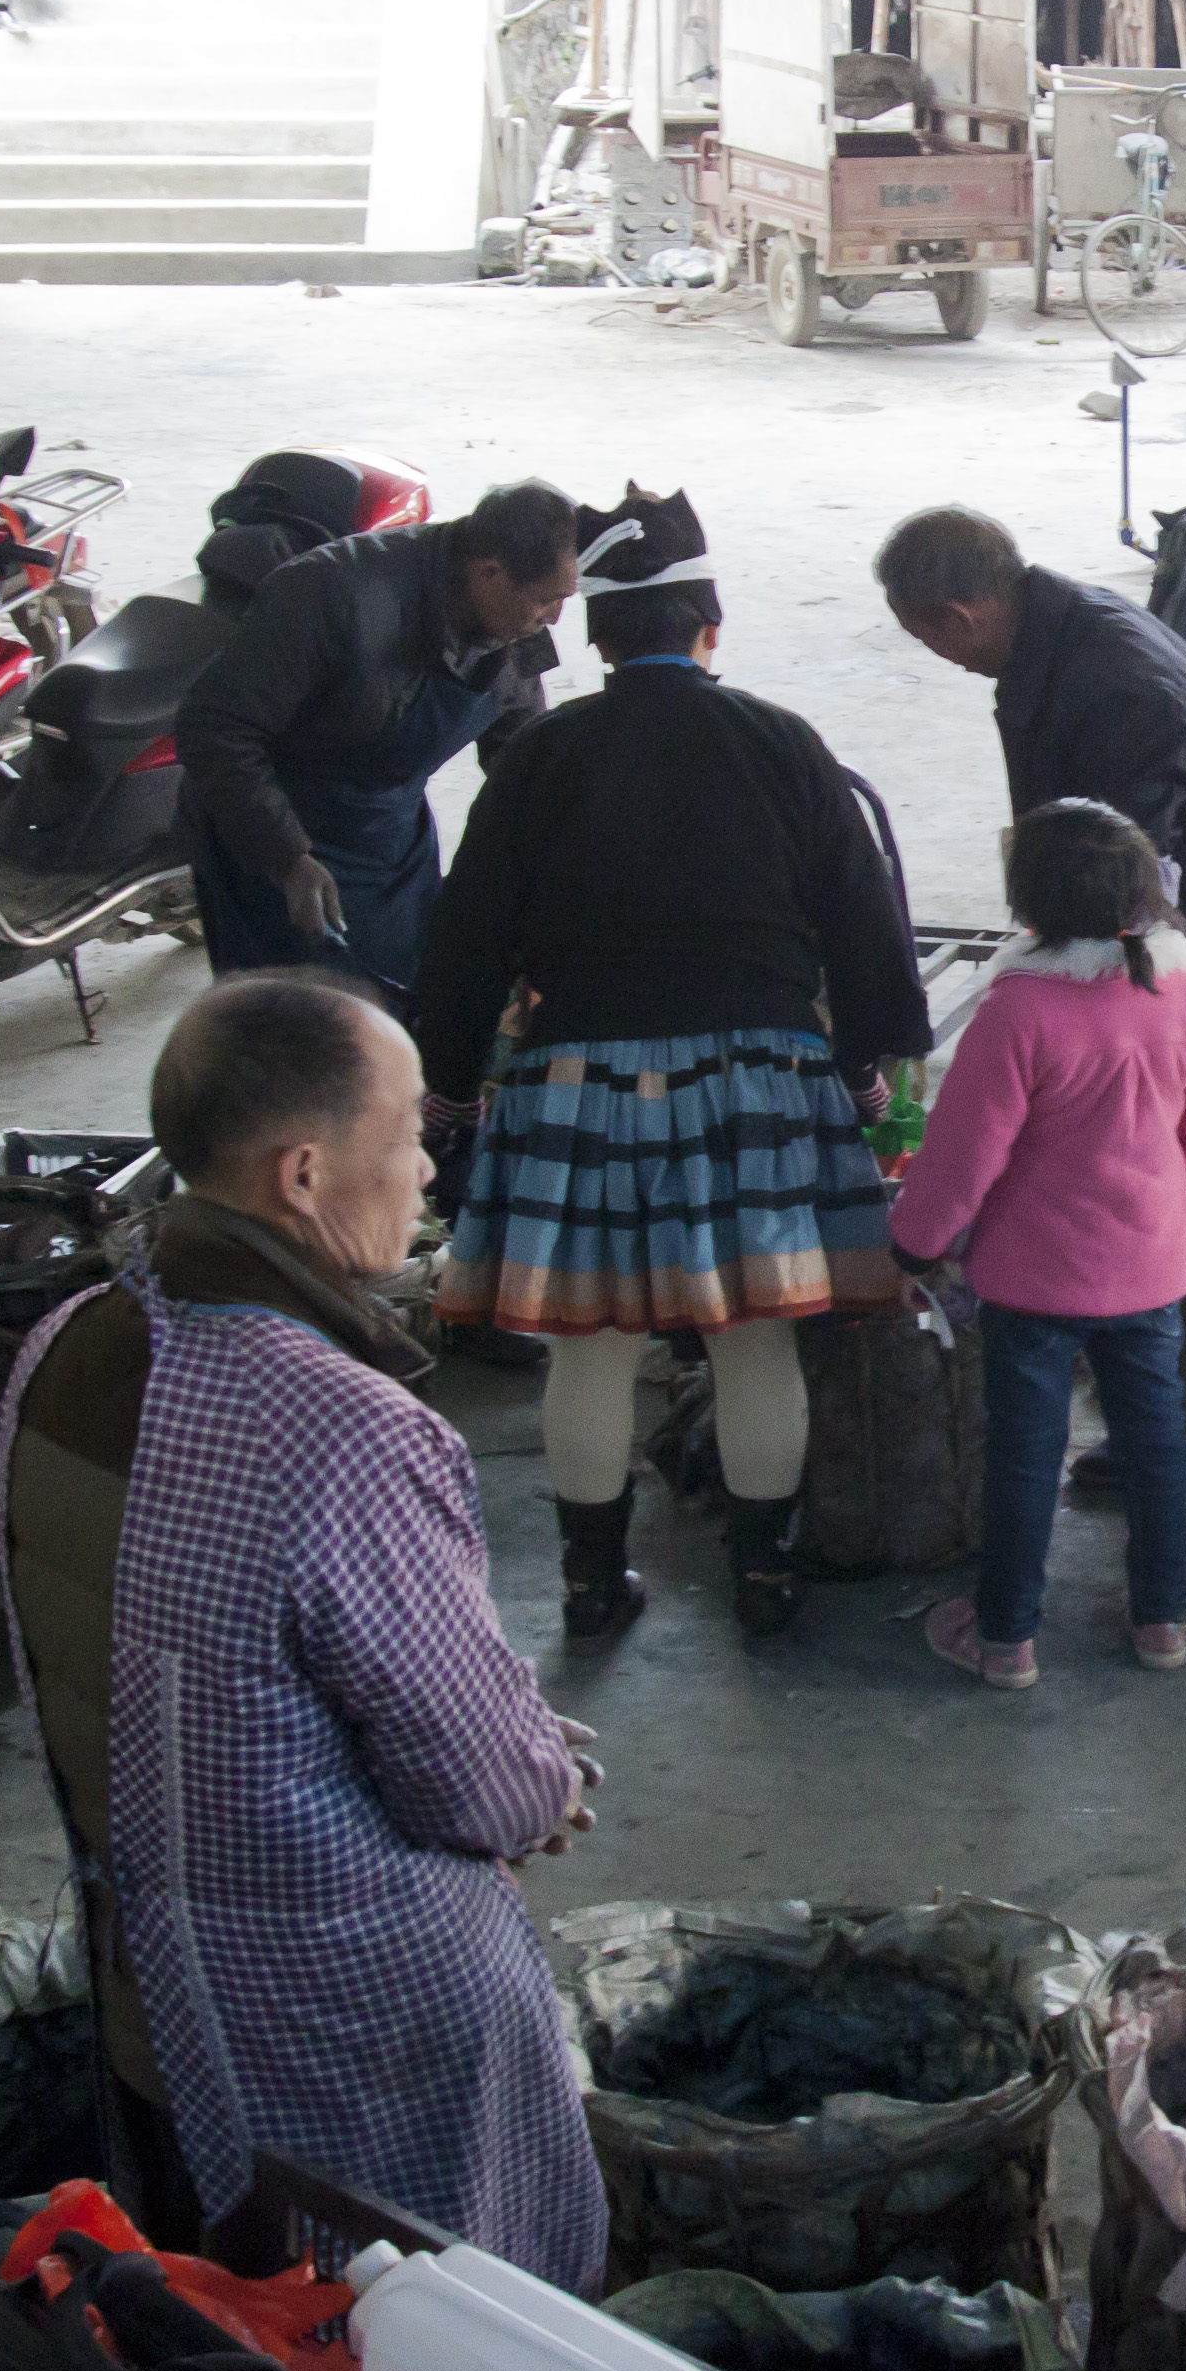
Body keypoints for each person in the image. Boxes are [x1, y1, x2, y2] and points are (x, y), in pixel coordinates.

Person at [0, 975, 603, 2289]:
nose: (428, 1163)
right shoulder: (334, 1423)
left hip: (149, 1988)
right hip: (338, 2023)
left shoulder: (66, 1343)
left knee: (234, 2322)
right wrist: (539, 1771)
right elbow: (483, 1787)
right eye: (409, 1128)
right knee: (414, 2332)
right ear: (305, 1171)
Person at [416, 490, 932, 1642]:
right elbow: (865, 926)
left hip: (575, 1083)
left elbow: (463, 942)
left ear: (596, 636)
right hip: (760, 1080)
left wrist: (446, 1090)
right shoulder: (781, 741)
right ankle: (765, 1577)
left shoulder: (539, 755)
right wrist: (862, 1071)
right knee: (755, 1338)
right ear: (710, 626)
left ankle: (592, 1587)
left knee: (591, 1350)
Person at [887, 801, 1186, 1690]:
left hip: (1032, 1281)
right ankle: (1162, 1621)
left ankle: (1005, 1637)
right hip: (1152, 1267)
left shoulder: (1018, 1009)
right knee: (1157, 1441)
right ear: (1144, 891)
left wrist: (914, 1245)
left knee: (1023, 1452)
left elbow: (963, 1153)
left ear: (1029, 902)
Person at [876, 508, 1186, 1139]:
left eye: (926, 637)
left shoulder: (1114, 688)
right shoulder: (1061, 621)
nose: (938, 655)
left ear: (960, 617)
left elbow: (1129, 879)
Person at [175, 478, 574, 1010]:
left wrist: (556, 858)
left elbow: (520, 752)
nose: (554, 618)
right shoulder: (330, 594)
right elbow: (213, 727)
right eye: (546, 600)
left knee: (407, 1003)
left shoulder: (513, 621)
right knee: (303, 1025)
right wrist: (287, 858)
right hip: (275, 836)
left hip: (390, 834)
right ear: (489, 573)